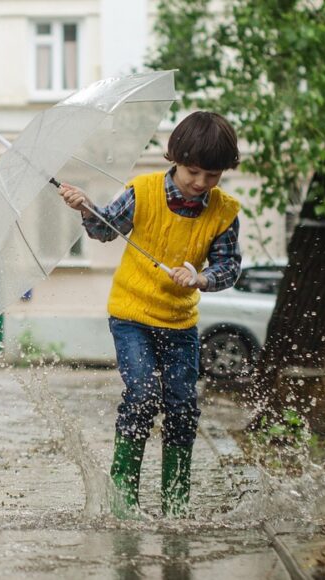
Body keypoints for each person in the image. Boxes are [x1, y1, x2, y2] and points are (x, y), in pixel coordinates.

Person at [59, 111, 242, 518]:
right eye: (193, 171)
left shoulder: (224, 212)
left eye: (212, 175)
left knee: (182, 406)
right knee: (142, 396)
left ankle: (176, 504)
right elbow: (104, 229)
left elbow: (229, 267)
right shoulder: (142, 192)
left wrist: (202, 278)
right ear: (175, 159)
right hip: (132, 316)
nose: (201, 183)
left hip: (180, 322)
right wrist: (86, 207)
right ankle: (123, 500)